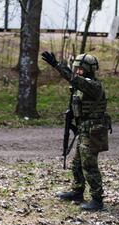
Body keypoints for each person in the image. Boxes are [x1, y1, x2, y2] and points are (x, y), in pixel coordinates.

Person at [42, 51, 111, 211]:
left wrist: (57, 65)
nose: (77, 71)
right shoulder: (80, 86)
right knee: (78, 163)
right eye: (76, 68)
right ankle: (77, 191)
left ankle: (97, 199)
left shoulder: (93, 86)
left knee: (89, 164)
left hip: (93, 131)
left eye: (79, 68)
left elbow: (73, 79)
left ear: (88, 69)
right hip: (84, 129)